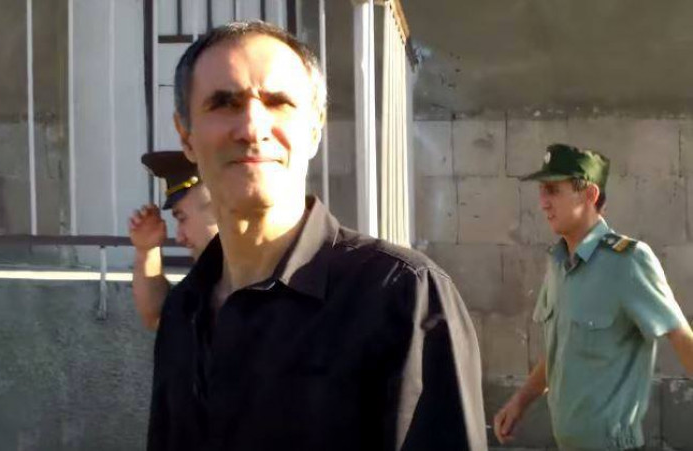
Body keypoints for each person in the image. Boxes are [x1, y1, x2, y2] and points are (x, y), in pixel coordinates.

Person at [146, 21, 487, 451]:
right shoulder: (184, 311)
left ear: (314, 129)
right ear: (186, 136)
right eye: (224, 103)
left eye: (279, 102)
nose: (252, 128)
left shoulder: (402, 297)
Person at [493, 143, 693, 450]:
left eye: (553, 190)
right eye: (542, 191)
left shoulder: (628, 261)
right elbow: (561, 351)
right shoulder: (559, 263)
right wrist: (520, 400)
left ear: (589, 194)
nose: (543, 202)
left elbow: (681, 338)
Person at [129, 151, 218, 330]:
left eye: (182, 218)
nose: (179, 237)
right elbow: (160, 317)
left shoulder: (269, 280)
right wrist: (147, 251)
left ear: (220, 209)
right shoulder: (211, 277)